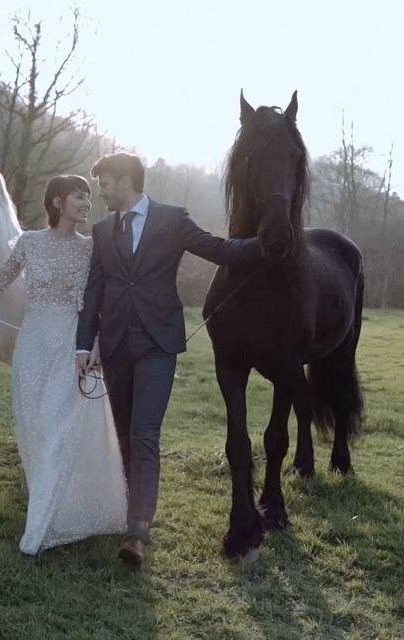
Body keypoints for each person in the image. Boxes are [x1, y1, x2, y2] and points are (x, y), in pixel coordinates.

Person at [75, 153, 262, 568]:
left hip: (158, 344)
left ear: (125, 181)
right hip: (117, 345)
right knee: (123, 434)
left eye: (104, 183)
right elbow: (94, 292)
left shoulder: (173, 220)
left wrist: (266, 245)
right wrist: (83, 345)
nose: (100, 191)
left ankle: (138, 532)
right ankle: (127, 512)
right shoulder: (103, 231)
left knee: (144, 434)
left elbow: (218, 249)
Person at [0, 175, 127, 555]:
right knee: (37, 429)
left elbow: (100, 299)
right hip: (33, 346)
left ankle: (46, 518)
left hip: (72, 345)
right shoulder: (30, 243)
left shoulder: (91, 249)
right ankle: (50, 500)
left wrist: (98, 343)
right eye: (79, 197)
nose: (87, 203)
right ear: (57, 202)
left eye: (88, 197)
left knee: (63, 427)